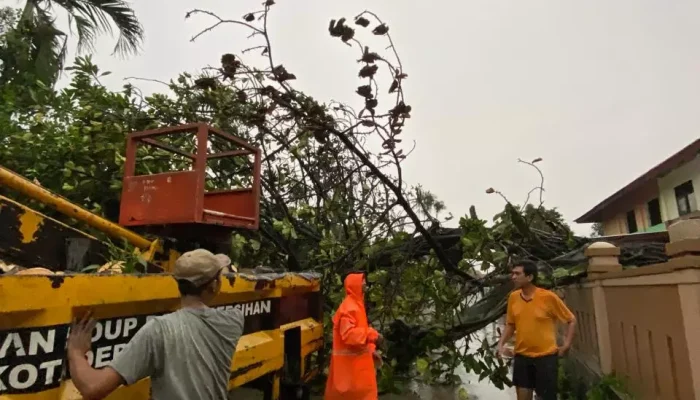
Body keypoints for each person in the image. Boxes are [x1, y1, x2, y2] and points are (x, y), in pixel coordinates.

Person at [67, 249, 245, 400]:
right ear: (214, 286)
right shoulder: (233, 321)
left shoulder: (159, 330)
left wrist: (75, 352)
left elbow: (92, 387)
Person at [497, 259, 576, 400]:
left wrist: (566, 344)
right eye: (512, 273)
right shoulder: (513, 298)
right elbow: (511, 324)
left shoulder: (548, 297)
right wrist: (501, 344)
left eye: (517, 273)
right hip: (522, 357)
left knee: (546, 397)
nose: (513, 277)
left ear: (530, 277)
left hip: (546, 358)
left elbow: (571, 319)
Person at [324, 272, 382, 400]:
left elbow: (360, 333)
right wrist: (372, 335)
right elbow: (349, 335)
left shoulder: (357, 305)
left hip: (357, 370)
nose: (365, 283)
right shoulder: (349, 308)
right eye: (362, 281)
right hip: (350, 372)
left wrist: (371, 349)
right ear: (354, 285)